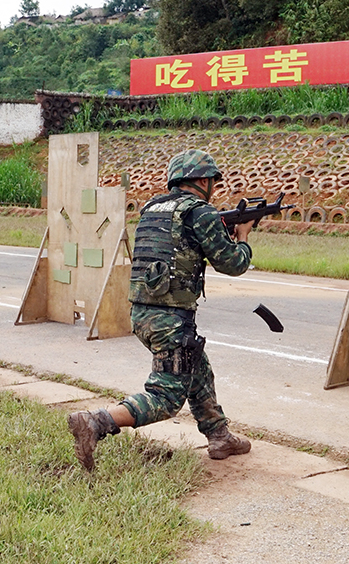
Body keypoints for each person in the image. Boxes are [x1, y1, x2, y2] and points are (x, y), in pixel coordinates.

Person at [68, 149, 255, 471]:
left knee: (198, 371)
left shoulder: (153, 208)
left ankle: (219, 435)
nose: (213, 186)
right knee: (166, 397)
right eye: (212, 180)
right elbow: (233, 264)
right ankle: (96, 421)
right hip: (171, 319)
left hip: (143, 313)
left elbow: (177, 246)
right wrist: (244, 238)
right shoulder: (201, 213)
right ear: (202, 180)